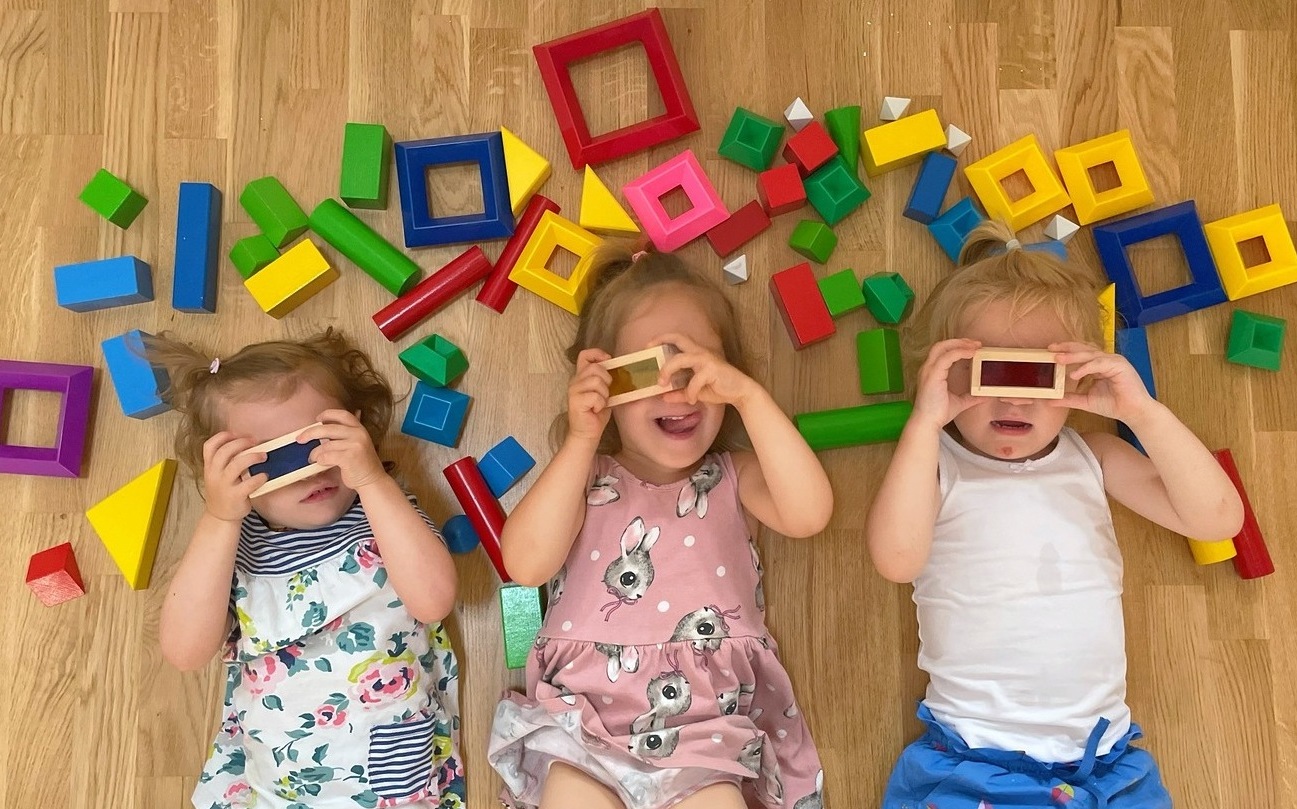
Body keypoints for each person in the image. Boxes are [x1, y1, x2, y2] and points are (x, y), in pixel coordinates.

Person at [866, 221, 1245, 807]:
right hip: (973, 757)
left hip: (1103, 760)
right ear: (946, 376)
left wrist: (1141, 411)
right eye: (992, 371)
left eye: (1036, 375)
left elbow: (1218, 520)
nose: (1013, 397)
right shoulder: (934, 466)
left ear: (1074, 378)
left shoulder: (1096, 456)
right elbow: (896, 560)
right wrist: (924, 421)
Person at [486, 244, 834, 809]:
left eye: (696, 368)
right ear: (607, 387)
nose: (678, 390)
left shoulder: (735, 476)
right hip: (583, 722)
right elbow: (525, 564)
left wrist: (750, 398)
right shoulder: (586, 475)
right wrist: (580, 439)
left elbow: (809, 513)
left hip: (704, 728)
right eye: (647, 371)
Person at [152, 329, 465, 809]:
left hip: (387, 777)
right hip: (272, 785)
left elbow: (434, 601)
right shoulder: (232, 546)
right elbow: (185, 652)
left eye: (324, 442)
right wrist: (218, 519)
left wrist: (371, 480)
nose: (314, 469)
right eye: (277, 460)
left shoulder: (383, 512)